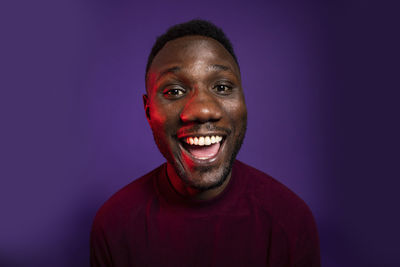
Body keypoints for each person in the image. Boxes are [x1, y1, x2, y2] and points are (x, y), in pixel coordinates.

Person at [90, 19, 320, 267]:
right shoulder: (114, 224)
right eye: (174, 92)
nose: (202, 110)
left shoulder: (291, 221)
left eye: (222, 87)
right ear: (148, 111)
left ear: (243, 101)